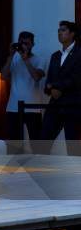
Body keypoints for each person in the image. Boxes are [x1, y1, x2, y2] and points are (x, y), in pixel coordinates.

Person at [39, 21, 81, 155]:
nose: (59, 33)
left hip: (72, 105)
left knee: (73, 145)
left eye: (63, 30)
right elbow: (49, 80)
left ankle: (76, 174)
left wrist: (58, 88)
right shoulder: (55, 56)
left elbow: (77, 78)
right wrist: (50, 89)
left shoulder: (79, 53)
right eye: (58, 30)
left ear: (72, 33)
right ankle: (41, 174)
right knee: (44, 140)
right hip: (55, 104)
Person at [1, 31, 45, 145]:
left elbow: (36, 77)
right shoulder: (14, 59)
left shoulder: (39, 59)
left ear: (32, 44)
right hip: (13, 107)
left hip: (33, 108)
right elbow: (3, 76)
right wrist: (10, 56)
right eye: (21, 43)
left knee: (36, 145)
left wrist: (26, 59)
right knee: (14, 145)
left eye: (27, 43)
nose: (24, 46)